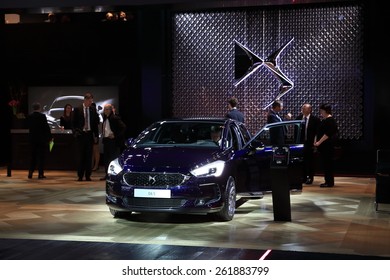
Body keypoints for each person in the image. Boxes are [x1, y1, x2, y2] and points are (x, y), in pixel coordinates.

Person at [71, 92, 99, 181]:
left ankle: (88, 175)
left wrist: (96, 136)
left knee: (88, 156)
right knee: (80, 156)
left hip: (89, 135)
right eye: (89, 102)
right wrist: (75, 133)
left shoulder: (93, 109)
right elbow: (73, 123)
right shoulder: (77, 109)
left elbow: (95, 124)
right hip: (80, 136)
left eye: (91, 102)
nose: (90, 103)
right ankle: (80, 175)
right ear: (85, 100)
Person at [314, 103, 339, 188]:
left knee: (328, 164)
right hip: (324, 147)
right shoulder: (325, 120)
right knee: (326, 164)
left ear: (325, 111)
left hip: (327, 147)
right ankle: (327, 181)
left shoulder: (330, 121)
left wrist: (319, 142)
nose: (320, 112)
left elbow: (327, 134)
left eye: (321, 111)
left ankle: (329, 182)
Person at [100, 104, 127, 180]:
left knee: (112, 159)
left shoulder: (114, 118)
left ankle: (114, 175)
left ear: (110, 110)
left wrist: (115, 135)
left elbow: (123, 127)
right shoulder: (105, 118)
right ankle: (107, 174)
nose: (105, 111)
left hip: (113, 142)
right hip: (106, 141)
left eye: (107, 109)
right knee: (106, 159)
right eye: (104, 109)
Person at [295, 103, 320, 185]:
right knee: (302, 161)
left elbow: (317, 133)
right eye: (302, 108)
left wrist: (315, 143)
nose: (302, 110)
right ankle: (303, 177)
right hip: (301, 144)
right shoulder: (298, 118)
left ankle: (310, 177)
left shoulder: (315, 119)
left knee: (310, 161)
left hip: (310, 143)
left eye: (304, 108)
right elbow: (296, 132)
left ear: (309, 110)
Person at [27, 102, 53, 179]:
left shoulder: (30, 116)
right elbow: (46, 127)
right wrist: (50, 137)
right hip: (41, 140)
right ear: (39, 108)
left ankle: (30, 173)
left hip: (32, 140)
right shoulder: (42, 116)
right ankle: (40, 174)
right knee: (41, 157)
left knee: (32, 157)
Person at [91, 102, 102, 171]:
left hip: (94, 134)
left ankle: (96, 165)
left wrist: (95, 136)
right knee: (91, 151)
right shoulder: (89, 114)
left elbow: (96, 126)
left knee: (96, 150)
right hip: (89, 134)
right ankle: (92, 165)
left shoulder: (96, 115)